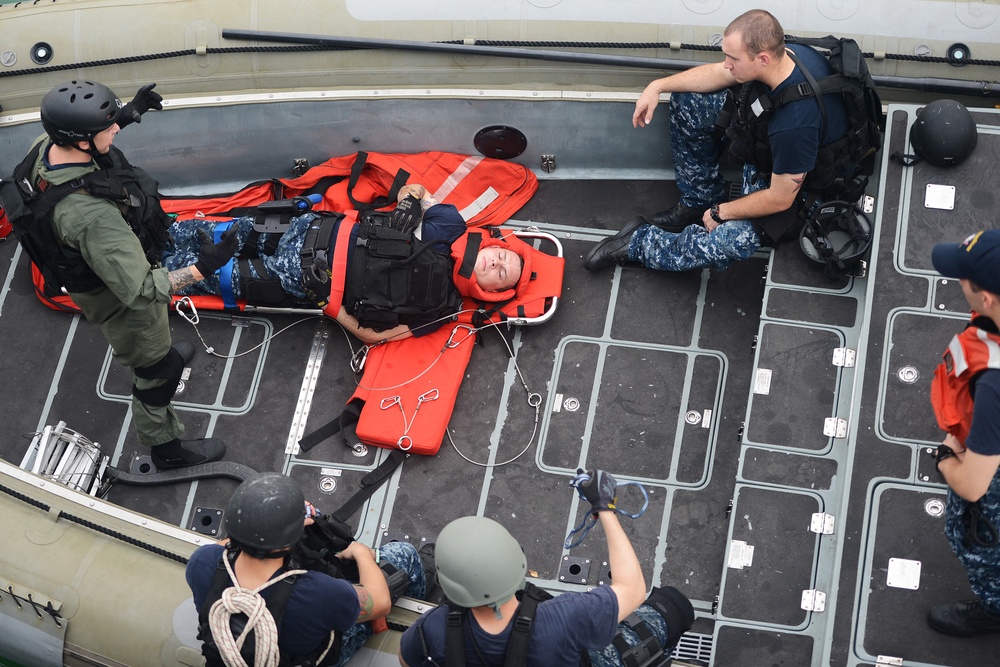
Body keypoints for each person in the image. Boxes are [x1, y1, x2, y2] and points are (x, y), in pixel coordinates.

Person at [24, 80, 239, 469]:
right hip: (123, 301)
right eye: (108, 128)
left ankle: (160, 357)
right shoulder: (90, 218)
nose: (116, 130)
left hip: (112, 262)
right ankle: (166, 450)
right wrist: (204, 266)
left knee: (161, 355)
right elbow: (140, 291)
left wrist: (124, 115)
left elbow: (85, 157)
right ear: (83, 141)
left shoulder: (46, 148)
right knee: (158, 373)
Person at [585, 9, 854, 274]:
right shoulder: (781, 56)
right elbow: (717, 73)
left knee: (729, 241)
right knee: (689, 100)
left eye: (732, 58)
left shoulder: (796, 122)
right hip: (770, 147)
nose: (726, 64)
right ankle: (699, 198)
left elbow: (780, 198)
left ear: (762, 59)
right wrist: (657, 86)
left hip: (795, 187)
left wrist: (720, 212)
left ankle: (638, 244)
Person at [163, 184, 525, 345]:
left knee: (210, 274)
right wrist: (408, 202)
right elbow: (414, 188)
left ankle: (146, 281)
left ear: (490, 292)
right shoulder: (449, 226)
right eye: (502, 256)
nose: (495, 263)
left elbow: (374, 336)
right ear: (494, 245)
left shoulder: (441, 311)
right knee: (206, 234)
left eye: (501, 273)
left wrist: (329, 304)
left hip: (301, 279)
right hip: (306, 227)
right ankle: (147, 233)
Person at [398, 470, 694, 666]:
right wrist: (604, 507)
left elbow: (405, 660)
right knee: (673, 606)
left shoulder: (431, 629)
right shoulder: (562, 618)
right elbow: (633, 589)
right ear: (517, 562)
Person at [186, 472, 428, 666]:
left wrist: (274, 523)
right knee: (404, 555)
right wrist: (361, 554)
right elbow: (380, 602)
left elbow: (230, 545)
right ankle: (420, 591)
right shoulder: (320, 594)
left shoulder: (201, 562)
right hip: (303, 658)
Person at [926, 230, 1000, 637]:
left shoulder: (994, 385)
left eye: (963, 277)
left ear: (986, 298)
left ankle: (994, 609)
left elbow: (973, 486)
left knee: (977, 543)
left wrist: (945, 458)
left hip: (987, 467)